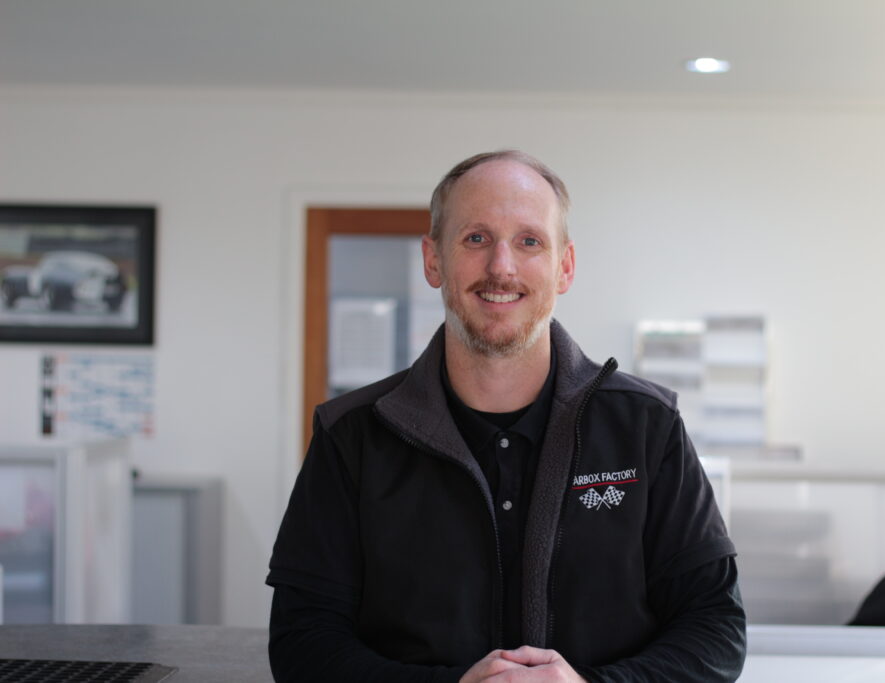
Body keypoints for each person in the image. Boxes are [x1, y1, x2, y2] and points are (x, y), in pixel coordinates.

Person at [267, 150, 746, 682]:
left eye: (529, 241)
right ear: (433, 260)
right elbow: (302, 643)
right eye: (476, 238)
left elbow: (715, 630)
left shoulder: (647, 426)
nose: (501, 267)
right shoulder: (351, 435)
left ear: (565, 266)